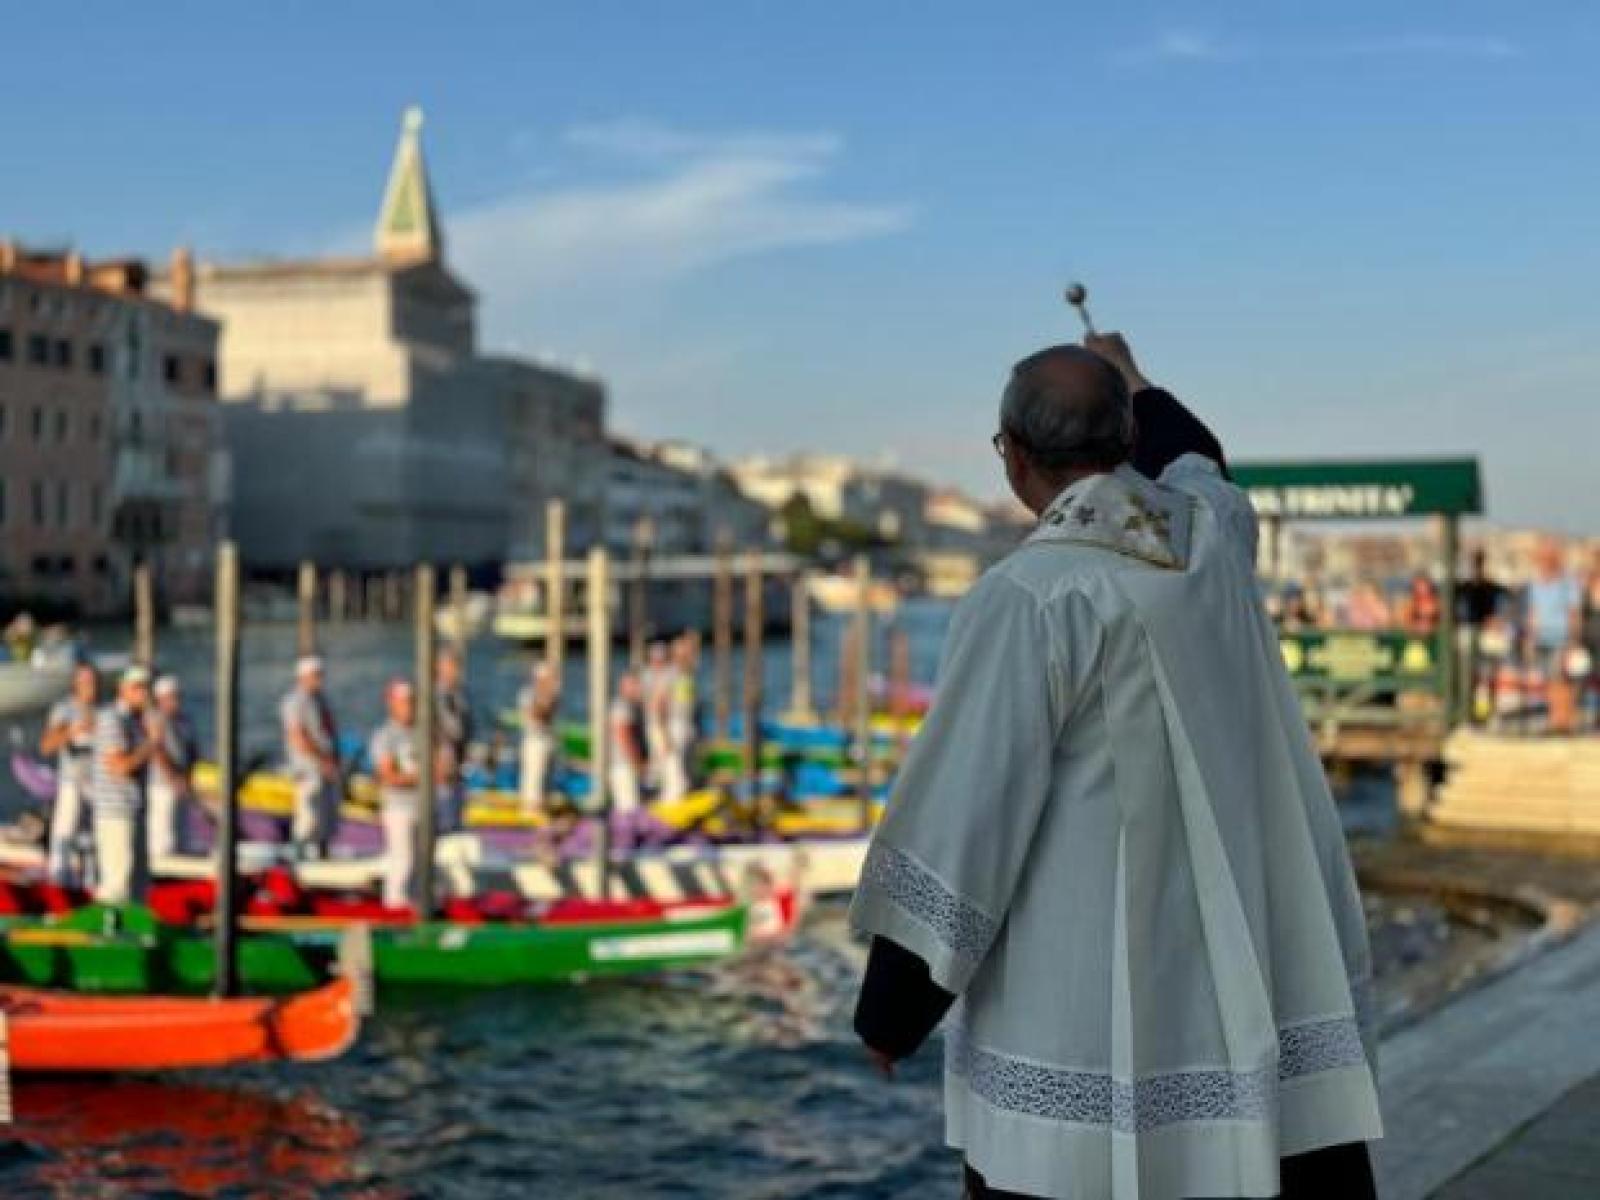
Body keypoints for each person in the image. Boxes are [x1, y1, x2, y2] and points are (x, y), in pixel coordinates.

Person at [850, 332, 1380, 1200]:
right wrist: (1135, 379)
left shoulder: (1029, 596)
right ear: (1128, 441)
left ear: (1012, 459)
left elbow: (964, 820)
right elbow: (1203, 458)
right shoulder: (1211, 542)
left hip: (1082, 1026)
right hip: (1248, 989)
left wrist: (891, 1016)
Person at [90, 666, 159, 904]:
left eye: (146, 688)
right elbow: (120, 767)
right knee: (118, 882)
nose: (144, 694)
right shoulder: (112, 719)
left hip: (134, 809)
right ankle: (111, 933)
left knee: (138, 882)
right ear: (123, 689)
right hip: (116, 812)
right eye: (137, 688)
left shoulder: (135, 722)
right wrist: (151, 744)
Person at [368, 679, 432, 910]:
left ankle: (416, 903)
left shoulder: (420, 733)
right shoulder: (385, 736)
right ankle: (394, 904)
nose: (409, 708)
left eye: (411, 702)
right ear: (392, 704)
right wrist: (418, 777)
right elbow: (387, 775)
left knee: (421, 860)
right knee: (402, 858)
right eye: (404, 703)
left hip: (420, 806)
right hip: (398, 807)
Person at [39, 662, 100, 887]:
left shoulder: (101, 711)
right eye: (84, 681)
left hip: (96, 786)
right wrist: (71, 731)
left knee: (93, 839)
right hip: (71, 782)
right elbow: (46, 746)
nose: (89, 686)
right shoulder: (64, 710)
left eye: (92, 681)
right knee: (64, 833)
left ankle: (91, 884)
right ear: (76, 684)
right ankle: (58, 881)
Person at [280, 656, 341, 858]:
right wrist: (322, 759)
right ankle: (298, 858)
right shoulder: (294, 702)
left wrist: (334, 759)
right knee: (308, 817)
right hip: (308, 769)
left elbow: (329, 732)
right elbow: (298, 736)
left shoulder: (320, 701)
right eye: (315, 676)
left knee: (327, 818)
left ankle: (323, 855)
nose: (319, 680)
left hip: (325, 769)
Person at [1524, 538, 1583, 733]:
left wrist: (1573, 641)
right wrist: (1530, 638)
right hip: (1542, 637)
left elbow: (1574, 613)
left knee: (1561, 680)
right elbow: (1534, 612)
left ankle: (1564, 721)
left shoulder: (1568, 583)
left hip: (1562, 638)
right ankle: (1556, 720)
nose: (1544, 561)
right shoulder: (1536, 583)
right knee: (1550, 680)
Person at [146, 675, 199, 863]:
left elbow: (192, 750)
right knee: (163, 832)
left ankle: (181, 862)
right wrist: (172, 777)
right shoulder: (156, 718)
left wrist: (188, 777)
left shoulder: (185, 720)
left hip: (181, 782)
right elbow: (157, 749)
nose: (174, 701)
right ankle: (161, 866)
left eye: (176, 696)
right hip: (162, 784)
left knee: (182, 830)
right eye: (170, 697)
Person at [659, 633, 701, 804]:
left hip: (688, 727)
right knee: (676, 776)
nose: (692, 654)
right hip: (674, 728)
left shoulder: (688, 674)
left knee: (690, 772)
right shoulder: (671, 674)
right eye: (687, 652)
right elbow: (659, 705)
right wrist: (665, 735)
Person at [435, 649, 473, 834]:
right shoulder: (433, 696)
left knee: (455, 817)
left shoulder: (460, 696)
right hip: (440, 766)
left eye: (457, 667)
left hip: (458, 765)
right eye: (451, 667)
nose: (455, 672)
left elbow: (464, 729)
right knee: (442, 816)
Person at [518, 663, 561, 814]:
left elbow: (550, 712)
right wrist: (545, 695)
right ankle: (530, 811)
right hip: (534, 742)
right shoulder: (528, 694)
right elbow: (537, 715)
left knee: (546, 780)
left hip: (547, 741)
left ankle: (543, 809)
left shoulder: (552, 694)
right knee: (533, 780)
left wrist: (549, 696)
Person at [608, 671, 646, 814]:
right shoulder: (622, 707)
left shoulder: (630, 707)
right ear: (624, 687)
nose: (638, 689)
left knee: (628, 804)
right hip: (623, 765)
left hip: (621, 764)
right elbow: (624, 737)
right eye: (634, 686)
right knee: (628, 807)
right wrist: (636, 762)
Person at [642, 641, 672, 788]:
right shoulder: (647, 675)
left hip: (663, 722)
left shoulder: (669, 674)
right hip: (654, 723)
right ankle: (653, 786)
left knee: (665, 756)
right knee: (658, 754)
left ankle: (660, 785)